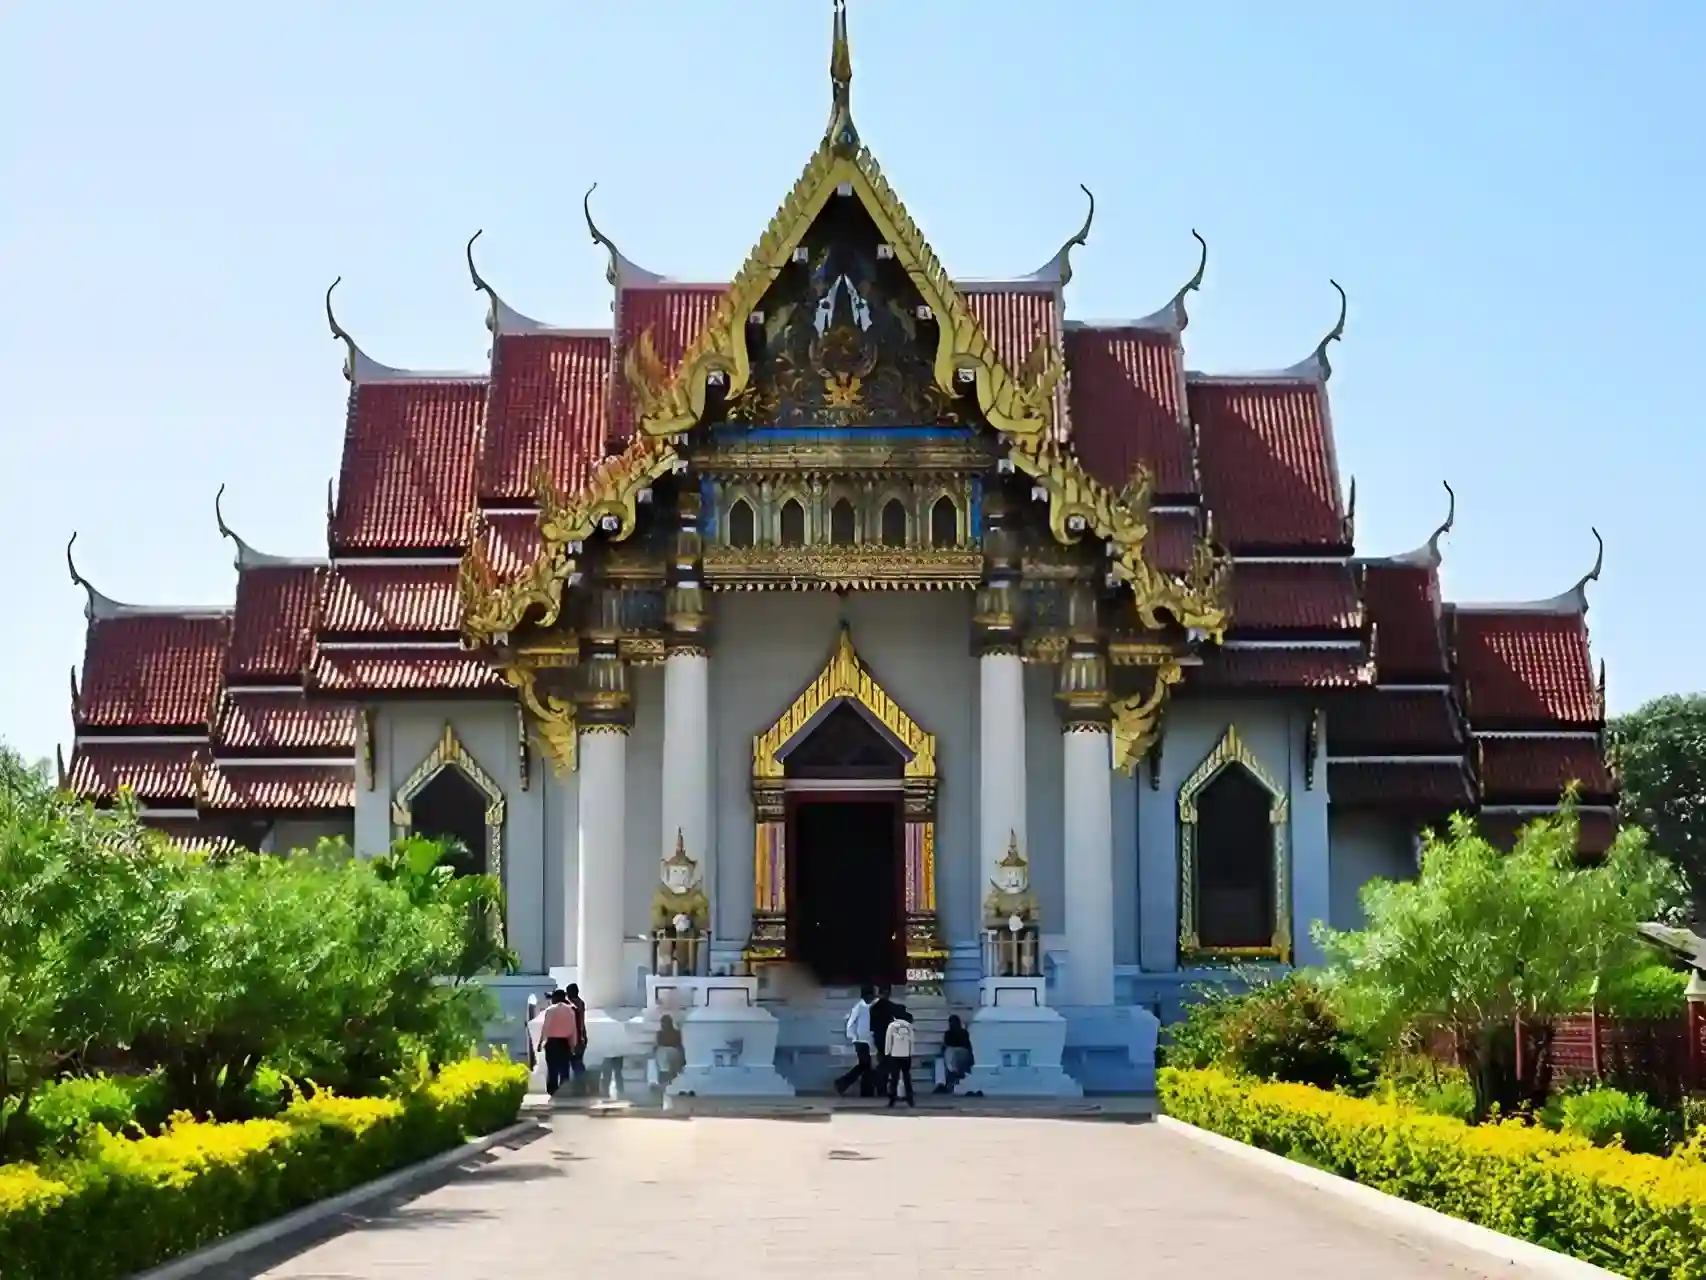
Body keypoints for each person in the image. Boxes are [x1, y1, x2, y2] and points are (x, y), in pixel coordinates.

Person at [536, 989, 582, 1097]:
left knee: (552, 1069)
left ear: (556, 998)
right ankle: (564, 1091)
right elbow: (573, 1030)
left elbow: (545, 1028)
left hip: (552, 1043)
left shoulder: (550, 1010)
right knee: (564, 1069)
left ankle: (552, 1090)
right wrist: (573, 1045)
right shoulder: (570, 1011)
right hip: (564, 1043)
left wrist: (540, 1042)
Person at [834, 985, 877, 1097]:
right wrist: (854, 1036)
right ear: (865, 996)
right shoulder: (858, 1008)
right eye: (870, 995)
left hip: (867, 1040)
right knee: (864, 1064)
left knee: (866, 1066)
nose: (871, 997)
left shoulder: (872, 1007)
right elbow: (850, 1024)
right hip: (860, 1041)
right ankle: (842, 1082)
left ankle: (866, 1091)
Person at [883, 1003, 916, 1108]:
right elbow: (912, 1041)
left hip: (895, 1055)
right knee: (906, 1077)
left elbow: (888, 1041)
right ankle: (910, 1099)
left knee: (894, 1078)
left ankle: (892, 1099)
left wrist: (887, 1052)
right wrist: (911, 1053)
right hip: (906, 1055)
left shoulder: (892, 1026)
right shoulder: (908, 1026)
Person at [868, 985, 898, 1080]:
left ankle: (879, 1080)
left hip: (879, 1038)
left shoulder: (874, 1007)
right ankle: (876, 1078)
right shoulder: (888, 1006)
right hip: (885, 1038)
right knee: (887, 1062)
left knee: (884, 1061)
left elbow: (871, 1025)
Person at [565, 982, 589, 1096]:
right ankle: (580, 1087)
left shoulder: (572, 1004)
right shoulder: (580, 1003)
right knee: (577, 1063)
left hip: (575, 1039)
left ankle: (580, 1088)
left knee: (576, 1064)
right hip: (580, 1037)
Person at [939, 1014, 973, 1092]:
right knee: (950, 1059)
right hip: (960, 1053)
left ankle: (951, 1078)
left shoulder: (950, 1033)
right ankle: (953, 1077)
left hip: (957, 1053)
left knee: (950, 1058)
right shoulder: (963, 1032)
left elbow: (946, 1045)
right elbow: (968, 1045)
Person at [655, 1014, 685, 1087]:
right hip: (674, 1052)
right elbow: (680, 1046)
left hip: (665, 1053)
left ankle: (664, 1079)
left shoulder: (660, 1033)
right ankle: (670, 1080)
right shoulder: (676, 1032)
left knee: (662, 1061)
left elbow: (658, 1044)